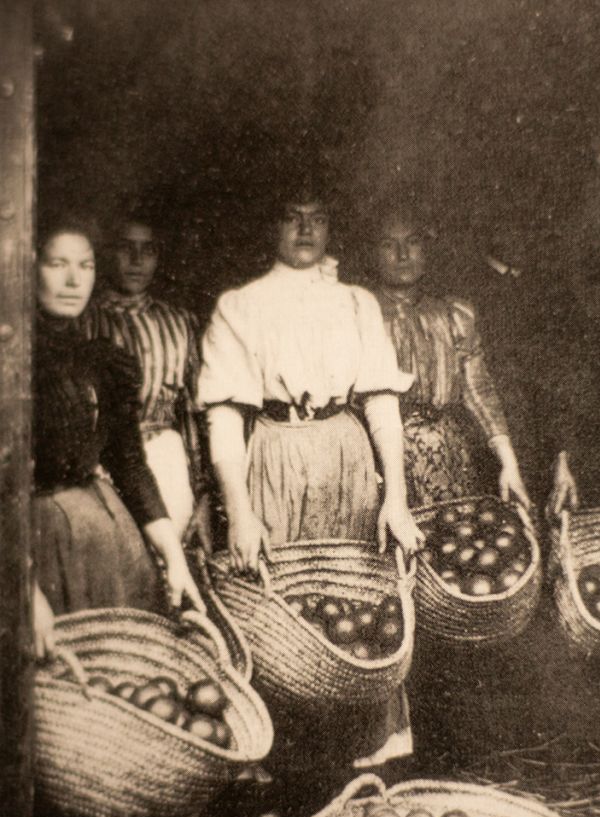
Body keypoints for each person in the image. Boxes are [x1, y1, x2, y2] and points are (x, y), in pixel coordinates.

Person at [197, 188, 423, 775]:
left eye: (317, 219)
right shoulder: (239, 306)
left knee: (356, 600)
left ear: (330, 229)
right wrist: (240, 511)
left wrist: (395, 498)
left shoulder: (356, 303)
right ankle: (286, 768)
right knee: (281, 603)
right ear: (272, 227)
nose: (305, 230)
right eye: (292, 217)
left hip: (345, 452)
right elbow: (224, 415)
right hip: (271, 450)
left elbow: (380, 402)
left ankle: (364, 762)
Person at [32, 217, 204, 661]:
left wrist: (173, 555)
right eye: (57, 264)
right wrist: (21, 591)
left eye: (85, 266)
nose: (73, 280)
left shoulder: (103, 360)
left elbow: (128, 461)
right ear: (30, 268)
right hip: (34, 543)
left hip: (105, 530)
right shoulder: (15, 357)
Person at [372, 205, 529, 509]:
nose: (403, 254)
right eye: (389, 245)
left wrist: (509, 463)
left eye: (413, 242)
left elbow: (478, 391)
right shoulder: (359, 314)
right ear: (372, 254)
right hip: (381, 461)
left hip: (449, 456)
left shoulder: (453, 314)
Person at [82, 212, 205, 540]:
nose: (136, 260)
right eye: (126, 248)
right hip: (102, 466)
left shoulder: (180, 323)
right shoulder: (84, 320)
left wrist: (203, 495)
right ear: (107, 251)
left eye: (148, 250)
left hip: (166, 460)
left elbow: (193, 415)